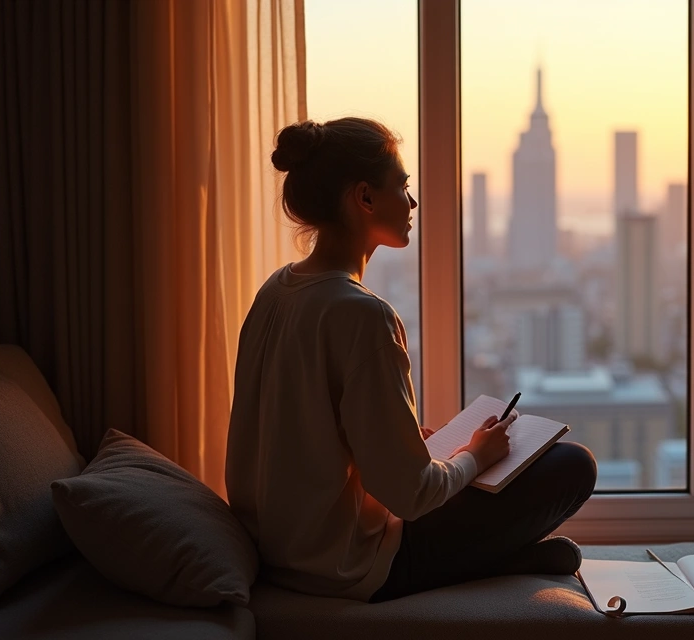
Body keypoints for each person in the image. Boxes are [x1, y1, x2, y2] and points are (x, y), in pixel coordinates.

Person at [226, 117, 597, 603]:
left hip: (278, 550)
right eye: (402, 186)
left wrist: (404, 448)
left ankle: (505, 559)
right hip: (348, 566)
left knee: (460, 468)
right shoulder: (363, 315)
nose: (412, 201)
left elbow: (304, 439)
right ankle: (497, 562)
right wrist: (473, 455)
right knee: (573, 465)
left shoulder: (276, 289)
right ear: (364, 198)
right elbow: (411, 497)